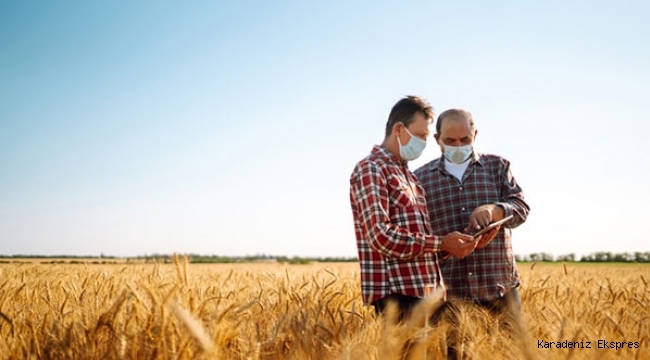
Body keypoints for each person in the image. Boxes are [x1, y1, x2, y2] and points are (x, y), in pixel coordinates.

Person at [349, 96, 478, 321]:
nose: (423, 143)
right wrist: (440, 242)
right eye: (419, 136)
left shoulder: (409, 176)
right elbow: (380, 235)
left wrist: (451, 247)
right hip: (397, 295)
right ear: (399, 129)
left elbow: (420, 241)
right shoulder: (372, 169)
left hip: (424, 292)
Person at [413, 108, 530, 316]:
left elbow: (521, 208)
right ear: (437, 139)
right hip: (451, 294)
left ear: (475, 135)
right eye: (450, 140)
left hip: (500, 286)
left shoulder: (497, 167)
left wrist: (494, 210)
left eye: (464, 139)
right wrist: (444, 245)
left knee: (514, 349)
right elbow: (417, 234)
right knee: (459, 350)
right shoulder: (420, 179)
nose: (458, 146)